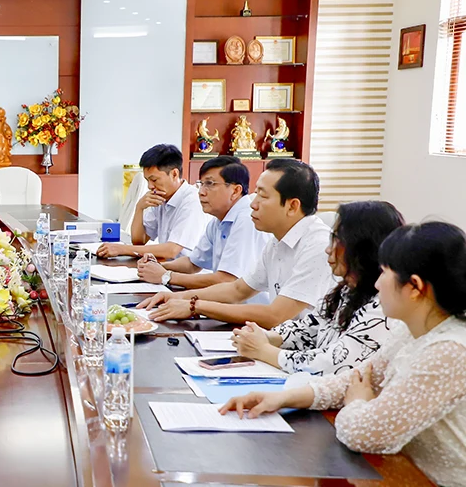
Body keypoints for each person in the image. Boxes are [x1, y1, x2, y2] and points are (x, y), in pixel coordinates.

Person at [220, 222, 466, 487]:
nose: (377, 283)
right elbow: (356, 378)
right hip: (400, 471)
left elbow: (365, 433)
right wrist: (282, 398)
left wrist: (357, 403)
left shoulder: (448, 351)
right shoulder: (411, 330)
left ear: (415, 287)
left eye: (385, 273)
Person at [139, 159, 334, 329]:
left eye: (263, 196)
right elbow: (238, 290)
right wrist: (178, 297)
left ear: (292, 206)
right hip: (274, 338)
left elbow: (276, 315)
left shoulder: (319, 246)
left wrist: (194, 305)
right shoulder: (277, 242)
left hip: (307, 351)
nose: (253, 204)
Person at [231, 201, 405, 375]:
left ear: (362, 247)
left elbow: (333, 364)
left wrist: (263, 350)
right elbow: (308, 329)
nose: (328, 249)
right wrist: (265, 337)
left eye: (337, 240)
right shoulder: (346, 291)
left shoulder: (383, 306)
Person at [137, 156, 269, 299]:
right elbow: (192, 263)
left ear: (235, 191)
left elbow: (227, 280)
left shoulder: (247, 220)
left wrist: (166, 276)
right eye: (201, 184)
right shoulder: (218, 220)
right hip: (224, 303)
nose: (201, 192)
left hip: (248, 310)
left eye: (210, 184)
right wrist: (156, 266)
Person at [97, 144, 210, 260]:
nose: (150, 186)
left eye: (154, 180)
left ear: (174, 174)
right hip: (166, 266)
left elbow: (171, 250)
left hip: (187, 270)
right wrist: (139, 208)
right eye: (147, 180)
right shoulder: (160, 198)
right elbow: (139, 241)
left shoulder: (192, 201)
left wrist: (122, 249)